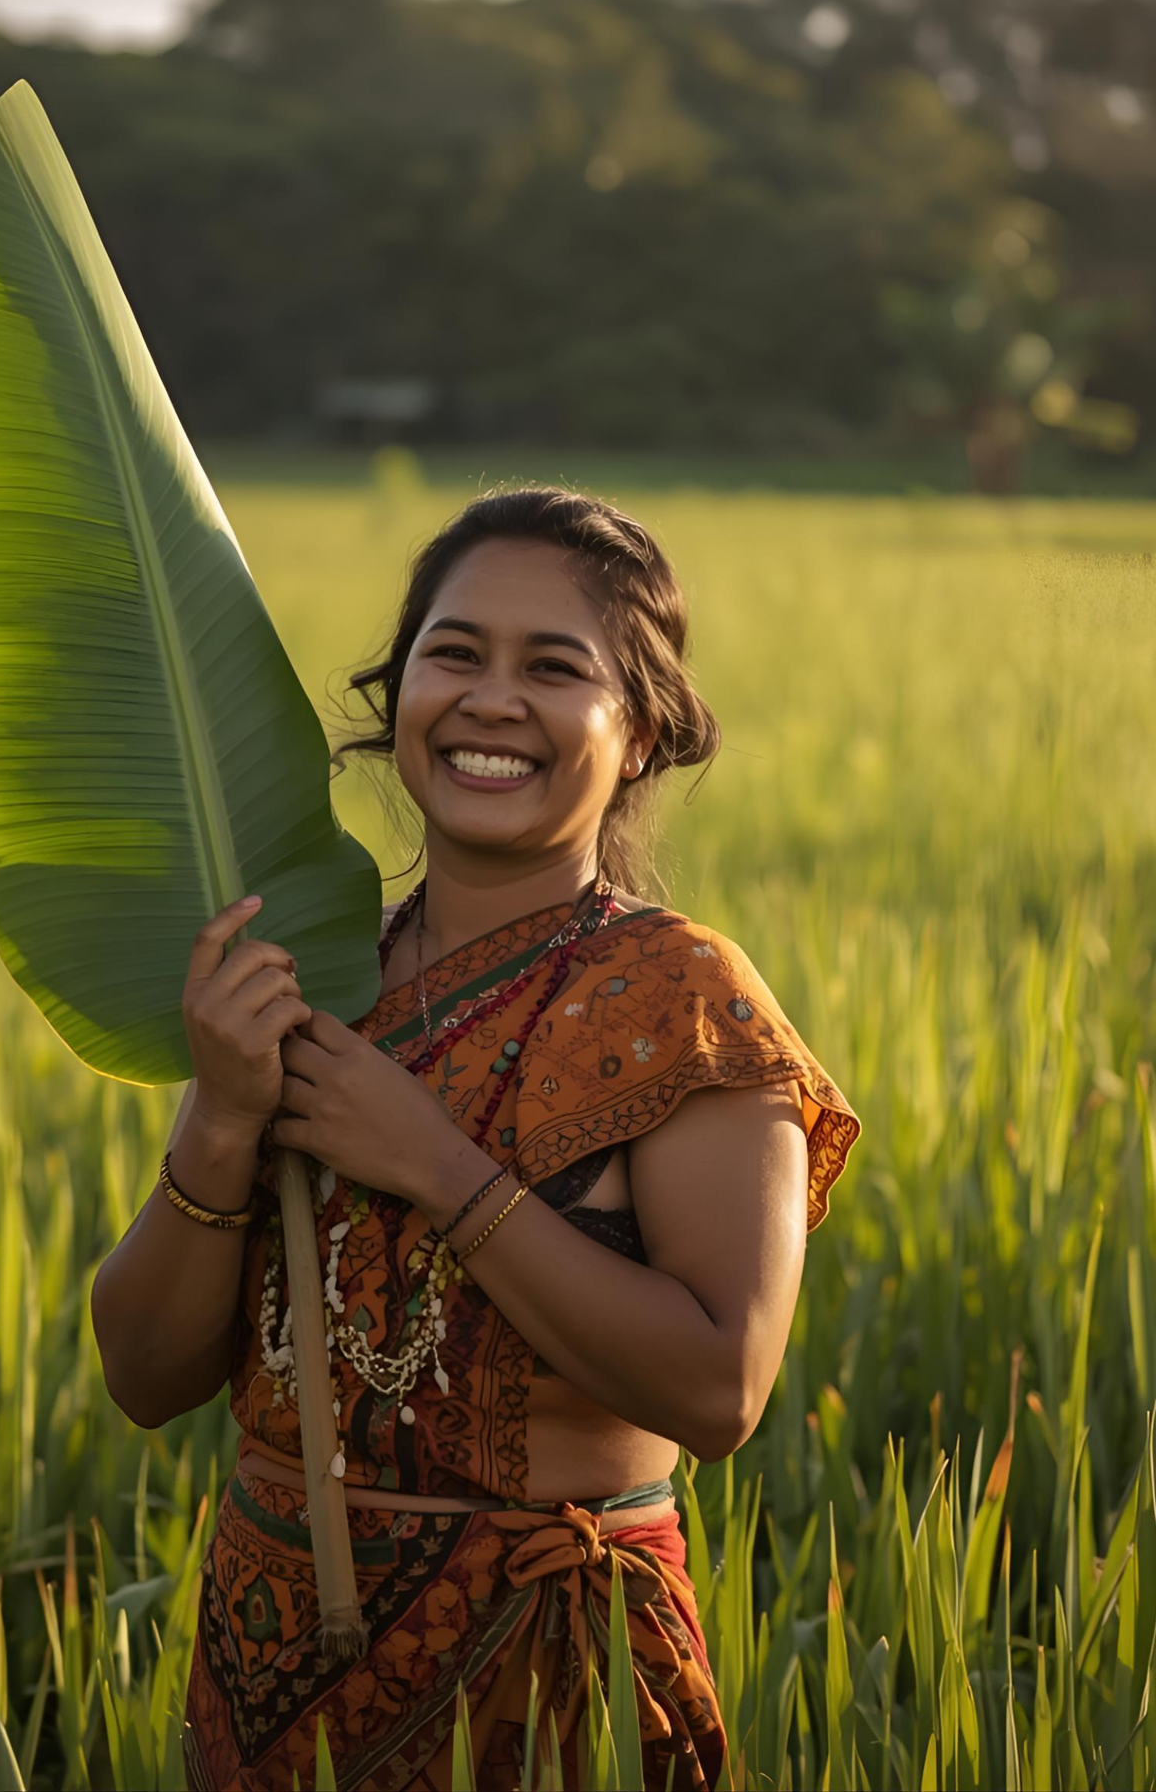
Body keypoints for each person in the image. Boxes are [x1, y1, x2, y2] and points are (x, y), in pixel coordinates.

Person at [91, 485, 861, 1791]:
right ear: (399, 701)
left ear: (642, 732)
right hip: (269, 1691)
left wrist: (439, 1166)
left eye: (554, 667)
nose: (492, 698)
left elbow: (721, 1389)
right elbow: (145, 1376)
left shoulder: (686, 1005)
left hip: (546, 1689)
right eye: (455, 653)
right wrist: (223, 1115)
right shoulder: (308, 982)